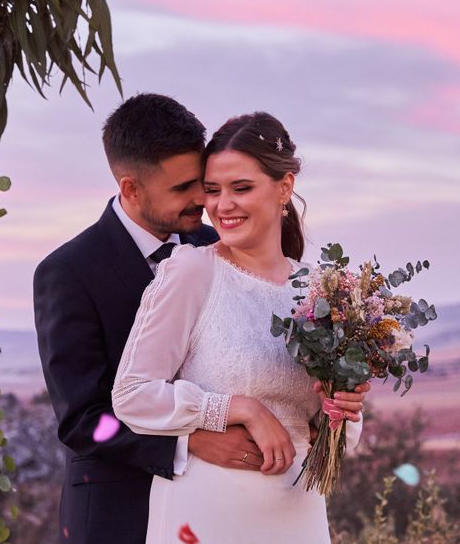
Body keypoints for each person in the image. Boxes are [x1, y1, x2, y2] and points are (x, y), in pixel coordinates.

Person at [112, 111, 369, 543]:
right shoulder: (192, 272)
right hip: (207, 514)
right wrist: (241, 408)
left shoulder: (320, 290)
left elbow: (334, 441)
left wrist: (343, 409)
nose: (222, 205)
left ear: (284, 187)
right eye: (213, 190)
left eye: (241, 188)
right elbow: (132, 395)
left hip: (298, 516)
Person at [34, 94, 265, 544]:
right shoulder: (67, 273)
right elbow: (83, 419)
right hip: (119, 515)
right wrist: (188, 442)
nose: (202, 198)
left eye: (200, 181)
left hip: (218, 510)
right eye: (182, 189)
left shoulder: (220, 247)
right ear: (131, 189)